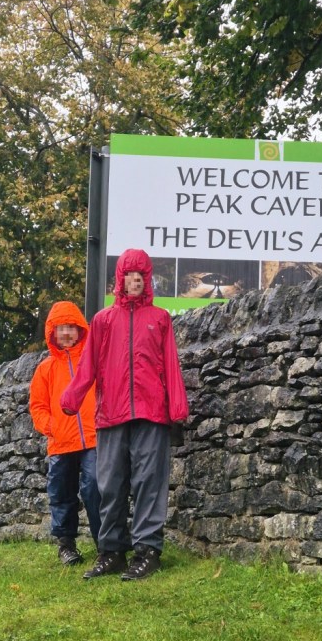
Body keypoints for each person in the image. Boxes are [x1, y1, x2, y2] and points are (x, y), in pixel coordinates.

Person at [61, 249, 189, 581]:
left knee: (149, 482)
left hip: (151, 412)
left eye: (141, 275)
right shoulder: (103, 320)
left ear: (147, 280)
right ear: (119, 279)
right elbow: (88, 365)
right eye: (130, 274)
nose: (135, 280)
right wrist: (72, 397)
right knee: (110, 484)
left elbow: (171, 366)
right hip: (111, 413)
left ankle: (147, 551)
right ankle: (112, 552)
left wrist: (176, 408)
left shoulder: (159, 318)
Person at [29, 301, 101, 566]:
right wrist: (53, 428)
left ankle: (104, 543)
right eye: (62, 328)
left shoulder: (92, 361)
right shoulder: (45, 369)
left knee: (95, 487)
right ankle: (66, 545)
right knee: (62, 493)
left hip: (93, 438)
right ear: (53, 332)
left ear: (81, 329)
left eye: (72, 327)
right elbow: (37, 407)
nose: (67, 333)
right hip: (60, 443)